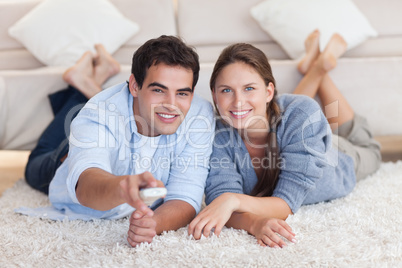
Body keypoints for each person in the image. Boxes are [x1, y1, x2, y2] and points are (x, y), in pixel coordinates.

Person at [188, 30, 381, 248]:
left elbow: (285, 203)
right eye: (226, 91)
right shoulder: (215, 133)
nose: (238, 101)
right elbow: (220, 205)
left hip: (337, 156)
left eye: (249, 88)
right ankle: (315, 67)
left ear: (269, 91)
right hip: (297, 133)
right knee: (285, 114)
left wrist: (233, 200)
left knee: (368, 145)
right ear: (214, 95)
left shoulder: (302, 113)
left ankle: (319, 70)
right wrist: (253, 222)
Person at [21, 36, 215, 247]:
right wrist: (123, 188)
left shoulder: (200, 114)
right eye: (158, 90)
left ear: (192, 93)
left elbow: (187, 194)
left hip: (106, 131)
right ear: (134, 85)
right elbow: (85, 183)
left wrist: (154, 223)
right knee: (34, 163)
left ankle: (91, 78)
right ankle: (80, 87)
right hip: (61, 160)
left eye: (182, 93)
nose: (171, 104)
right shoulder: (98, 112)